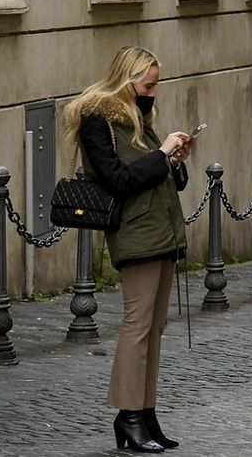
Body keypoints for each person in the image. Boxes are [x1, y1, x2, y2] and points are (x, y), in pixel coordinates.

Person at [63, 46, 191, 453]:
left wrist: (175, 159)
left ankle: (145, 411)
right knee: (137, 326)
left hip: (163, 231)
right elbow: (118, 179)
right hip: (136, 234)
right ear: (127, 80)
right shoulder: (97, 121)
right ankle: (128, 414)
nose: (152, 92)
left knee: (155, 327)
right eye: (147, 84)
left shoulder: (140, 117)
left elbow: (166, 178)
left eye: (155, 85)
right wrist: (160, 153)